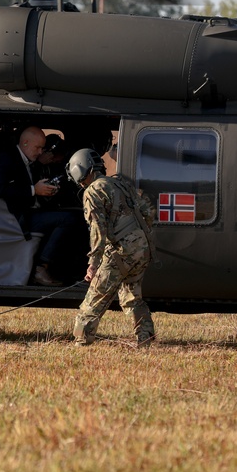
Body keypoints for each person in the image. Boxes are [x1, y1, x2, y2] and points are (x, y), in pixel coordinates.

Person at [66, 146, 157, 347]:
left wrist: (93, 263)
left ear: (79, 171)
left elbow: (97, 230)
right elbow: (149, 210)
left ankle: (81, 342)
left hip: (121, 252)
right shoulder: (120, 183)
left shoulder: (92, 192)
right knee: (132, 297)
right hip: (142, 248)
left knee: (94, 299)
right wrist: (138, 236)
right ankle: (146, 340)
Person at [0, 126, 82, 286]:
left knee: (76, 215)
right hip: (20, 217)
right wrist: (34, 190)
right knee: (68, 219)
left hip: (33, 211)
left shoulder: (29, 161)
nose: (40, 152)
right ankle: (41, 267)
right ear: (25, 143)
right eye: (38, 147)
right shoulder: (9, 158)